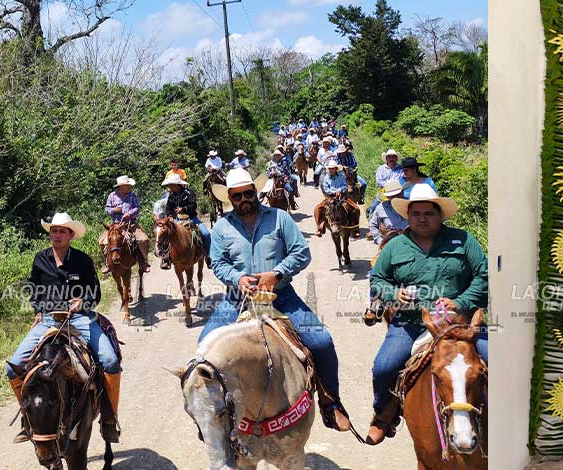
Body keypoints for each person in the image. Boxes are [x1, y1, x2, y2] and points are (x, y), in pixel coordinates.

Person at [202, 168, 352, 431]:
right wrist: (238, 278)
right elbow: (218, 263)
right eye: (237, 197)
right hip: (237, 297)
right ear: (230, 199)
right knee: (204, 348)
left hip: (280, 294)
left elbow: (301, 252)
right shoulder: (223, 226)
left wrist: (277, 272)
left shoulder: (280, 218)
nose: (244, 200)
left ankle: (331, 402)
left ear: (256, 192)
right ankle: (212, 414)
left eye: (248, 194)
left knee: (322, 341)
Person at [366, 183, 488, 445]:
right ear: (408, 216)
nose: (422, 219)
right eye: (416, 213)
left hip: (461, 324)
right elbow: (377, 278)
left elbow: (483, 275)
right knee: (384, 367)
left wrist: (461, 301)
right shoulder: (395, 246)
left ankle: (502, 417)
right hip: (410, 323)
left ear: (440, 215)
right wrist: (393, 294)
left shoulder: (464, 241)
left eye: (428, 213)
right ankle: (385, 412)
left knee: (495, 361)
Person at [7, 213, 122, 444]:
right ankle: (28, 418)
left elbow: (95, 293)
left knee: (110, 361)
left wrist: (83, 302)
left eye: (62, 231)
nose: (57, 235)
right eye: (54, 231)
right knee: (13, 368)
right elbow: (35, 289)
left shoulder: (82, 260)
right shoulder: (40, 259)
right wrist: (38, 310)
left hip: (80, 320)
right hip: (49, 321)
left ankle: (109, 417)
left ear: (71, 235)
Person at [154, 172, 211, 269]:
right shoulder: (171, 196)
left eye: (171, 185)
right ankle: (166, 258)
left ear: (177, 185)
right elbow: (168, 209)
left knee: (205, 233)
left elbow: (193, 205)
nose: (169, 187)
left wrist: (183, 209)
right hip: (176, 219)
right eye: (169, 185)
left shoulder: (189, 193)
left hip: (191, 218)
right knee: (166, 234)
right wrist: (170, 216)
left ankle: (208, 255)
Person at [99, 175, 151, 274]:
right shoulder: (112, 196)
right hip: (115, 225)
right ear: (121, 186)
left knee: (142, 239)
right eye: (127, 185)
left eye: (129, 185)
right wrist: (114, 210)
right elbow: (107, 209)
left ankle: (143, 262)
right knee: (102, 241)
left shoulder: (132, 195)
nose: (129, 187)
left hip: (130, 224)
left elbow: (137, 208)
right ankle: (107, 263)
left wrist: (130, 213)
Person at [366, 149, 406, 219]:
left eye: (393, 157)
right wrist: (389, 186)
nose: (391, 159)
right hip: (384, 192)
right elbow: (379, 180)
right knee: (375, 206)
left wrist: (394, 186)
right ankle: (370, 217)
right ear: (386, 158)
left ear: (396, 158)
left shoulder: (401, 169)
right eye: (389, 157)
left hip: (397, 192)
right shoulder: (381, 169)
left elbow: (402, 180)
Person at [368, 179, 409, 244]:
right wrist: (380, 240)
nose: (396, 197)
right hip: (389, 243)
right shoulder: (381, 208)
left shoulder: (411, 205)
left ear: (402, 192)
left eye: (398, 194)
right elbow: (372, 224)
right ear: (388, 196)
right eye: (393, 196)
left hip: (410, 242)